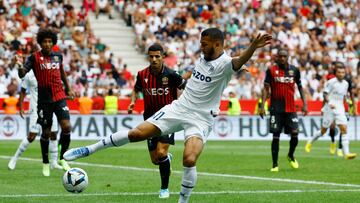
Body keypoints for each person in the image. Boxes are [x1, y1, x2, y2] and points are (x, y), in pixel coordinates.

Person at [64, 28, 272, 203]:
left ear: (218, 45)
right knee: (136, 134)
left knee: (189, 159)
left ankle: (182, 200)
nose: (201, 46)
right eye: (201, 42)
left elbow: (237, 61)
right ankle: (89, 149)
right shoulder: (204, 56)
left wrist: (252, 47)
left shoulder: (226, 63)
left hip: (201, 118)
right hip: (179, 107)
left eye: (205, 43)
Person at [127, 43, 186, 198]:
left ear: (163, 57)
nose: (154, 59)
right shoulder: (142, 74)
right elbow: (136, 89)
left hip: (169, 119)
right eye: (151, 56)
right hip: (150, 120)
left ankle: (164, 189)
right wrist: (133, 101)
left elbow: (183, 87)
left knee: (160, 153)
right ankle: (167, 159)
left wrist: (180, 102)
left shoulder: (172, 74)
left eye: (157, 56)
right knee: (155, 160)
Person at [17, 28, 75, 171]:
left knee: (67, 126)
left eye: (50, 41)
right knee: (46, 133)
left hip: (59, 96)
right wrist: (19, 67)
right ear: (40, 43)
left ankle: (62, 158)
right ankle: (45, 162)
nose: (47, 44)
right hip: (44, 100)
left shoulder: (58, 57)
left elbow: (62, 73)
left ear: (53, 42)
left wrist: (68, 88)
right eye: (45, 41)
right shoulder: (34, 57)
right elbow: (23, 73)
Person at [259, 48, 308, 172]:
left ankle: (291, 155)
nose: (282, 58)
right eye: (280, 56)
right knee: (276, 136)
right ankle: (275, 164)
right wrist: (262, 105)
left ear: (288, 57)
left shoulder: (295, 70)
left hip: (291, 108)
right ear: (277, 57)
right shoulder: (271, 70)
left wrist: (305, 104)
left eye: (284, 56)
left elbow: (301, 88)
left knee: (295, 133)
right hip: (276, 108)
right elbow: (266, 88)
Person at [8, 70, 63, 176]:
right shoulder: (30, 75)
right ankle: (14, 159)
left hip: (50, 107)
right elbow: (23, 91)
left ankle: (54, 163)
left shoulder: (50, 72)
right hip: (35, 110)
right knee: (31, 136)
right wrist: (21, 106)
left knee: (53, 134)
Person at [305, 62, 357, 160]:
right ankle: (310, 141)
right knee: (323, 131)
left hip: (340, 108)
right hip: (330, 107)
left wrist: (349, 103)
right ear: (335, 73)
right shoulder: (331, 82)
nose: (341, 74)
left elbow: (345, 95)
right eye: (339, 72)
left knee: (344, 128)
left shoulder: (346, 84)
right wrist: (328, 102)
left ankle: (346, 153)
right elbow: (325, 94)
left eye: (343, 72)